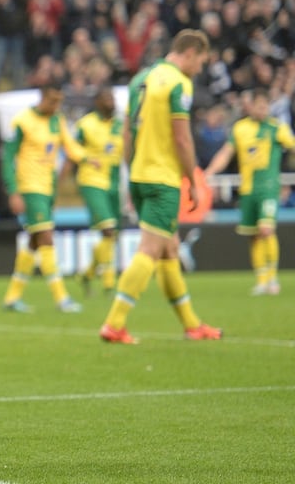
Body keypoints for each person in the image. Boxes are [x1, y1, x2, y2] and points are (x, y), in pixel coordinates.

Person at [100, 29, 222, 344]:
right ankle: (114, 323)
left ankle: (192, 325)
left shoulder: (141, 78)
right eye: (201, 62)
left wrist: (131, 174)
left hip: (140, 174)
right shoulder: (179, 83)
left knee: (169, 250)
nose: (199, 69)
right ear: (191, 52)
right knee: (151, 250)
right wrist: (192, 180)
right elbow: (181, 137)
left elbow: (127, 132)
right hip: (163, 178)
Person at [1, 85, 86, 313]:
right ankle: (62, 298)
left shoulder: (56, 121)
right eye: (52, 101)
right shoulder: (22, 121)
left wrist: (90, 157)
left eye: (59, 102)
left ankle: (11, 297)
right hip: (30, 187)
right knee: (46, 238)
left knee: (34, 241)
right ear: (42, 99)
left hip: (48, 188)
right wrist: (13, 190)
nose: (55, 106)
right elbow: (7, 156)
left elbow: (71, 147)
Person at [203, 90, 295, 296]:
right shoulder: (240, 128)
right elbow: (226, 153)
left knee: (266, 230)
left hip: (269, 188)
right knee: (253, 235)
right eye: (259, 106)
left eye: (266, 106)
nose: (263, 110)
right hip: (248, 189)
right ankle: (261, 279)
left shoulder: (276, 128)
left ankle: (272, 278)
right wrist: (208, 172)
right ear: (250, 106)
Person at [62, 88, 124, 296]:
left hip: (114, 181)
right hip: (91, 180)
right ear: (97, 102)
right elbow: (72, 150)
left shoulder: (119, 124)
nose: (111, 101)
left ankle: (87, 275)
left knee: (112, 234)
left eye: (112, 98)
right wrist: (63, 181)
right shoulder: (86, 124)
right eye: (107, 98)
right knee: (108, 228)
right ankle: (109, 283)